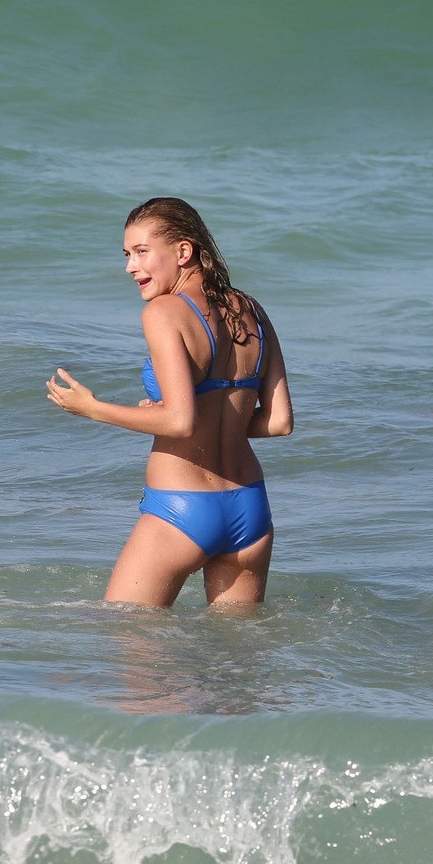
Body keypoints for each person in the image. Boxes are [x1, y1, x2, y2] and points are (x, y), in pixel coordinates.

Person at [47, 198, 291, 608]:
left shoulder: (165, 312)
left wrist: (92, 408)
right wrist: (214, 420)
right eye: (127, 255)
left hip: (181, 509)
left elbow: (179, 421)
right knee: (234, 662)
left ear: (183, 251)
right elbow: (279, 421)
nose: (130, 266)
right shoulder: (253, 311)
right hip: (250, 509)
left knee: (131, 653)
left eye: (142, 252)